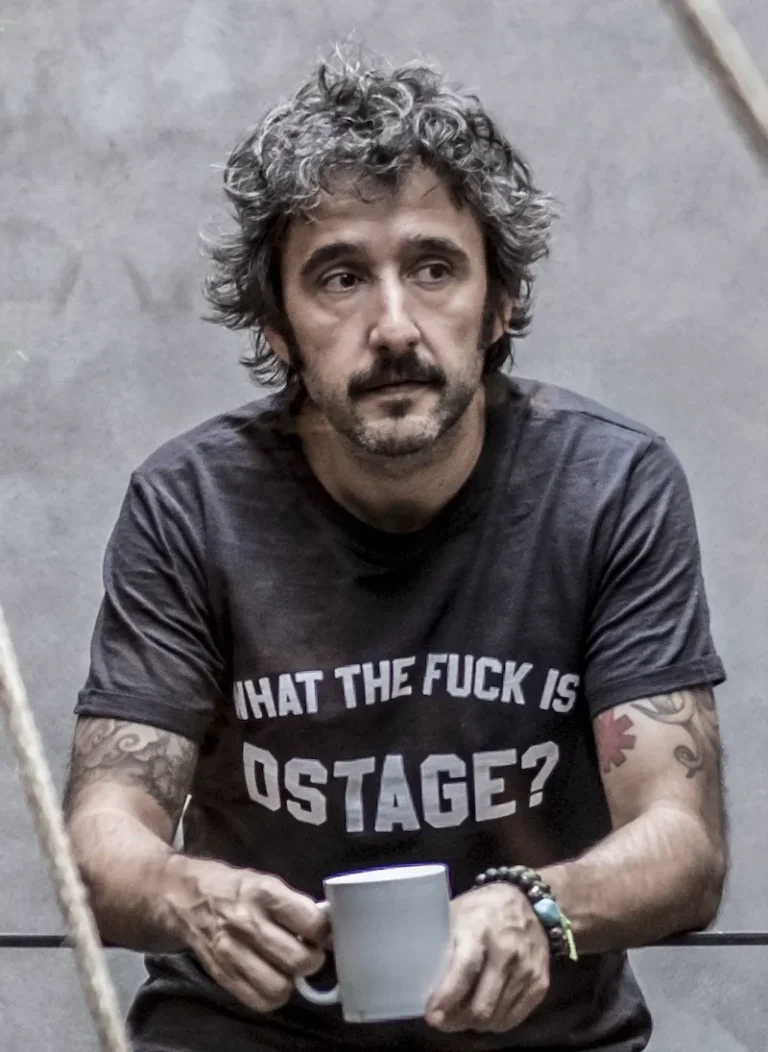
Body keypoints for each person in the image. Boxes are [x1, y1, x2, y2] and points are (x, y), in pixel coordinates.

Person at [63, 49, 728, 1052]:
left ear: (498, 303)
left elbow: (683, 845)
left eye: (434, 268)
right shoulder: (191, 504)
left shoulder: (608, 486)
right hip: (243, 1034)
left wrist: (536, 907)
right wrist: (184, 893)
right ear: (278, 326)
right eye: (340, 277)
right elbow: (104, 835)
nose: (393, 326)